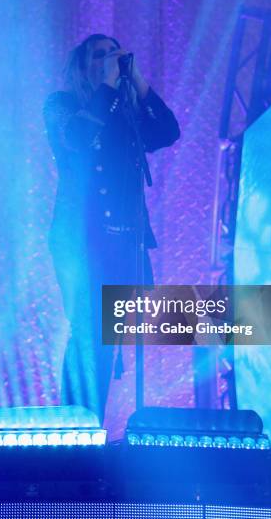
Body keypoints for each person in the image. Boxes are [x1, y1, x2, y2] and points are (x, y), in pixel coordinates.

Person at [44, 33, 180, 423]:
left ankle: (87, 425)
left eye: (114, 55)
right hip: (79, 237)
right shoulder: (62, 105)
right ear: (83, 64)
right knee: (88, 330)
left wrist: (136, 80)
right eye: (100, 56)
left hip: (123, 239)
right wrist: (106, 85)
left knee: (107, 336)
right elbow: (77, 140)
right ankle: (74, 428)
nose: (110, 61)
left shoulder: (124, 114)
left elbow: (168, 132)